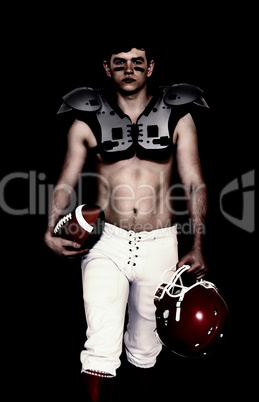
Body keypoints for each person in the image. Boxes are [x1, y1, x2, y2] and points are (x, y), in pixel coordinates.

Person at [44, 42, 208, 401]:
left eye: (137, 62)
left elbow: (194, 182)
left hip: (161, 242)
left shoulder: (178, 116)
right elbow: (65, 182)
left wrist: (196, 245)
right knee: (100, 345)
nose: (129, 69)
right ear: (107, 68)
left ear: (150, 67)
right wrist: (49, 229)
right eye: (120, 63)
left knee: (147, 347)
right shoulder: (85, 119)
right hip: (107, 241)